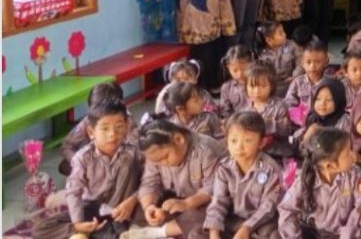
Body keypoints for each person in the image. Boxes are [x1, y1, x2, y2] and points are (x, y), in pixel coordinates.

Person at [33, 101, 140, 239]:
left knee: (150, 211)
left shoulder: (133, 153)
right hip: (92, 210)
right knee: (40, 229)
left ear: (126, 128)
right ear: (91, 132)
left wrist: (133, 199)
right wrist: (78, 223)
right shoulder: (82, 158)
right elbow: (74, 191)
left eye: (119, 127)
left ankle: (107, 233)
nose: (112, 134)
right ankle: (91, 231)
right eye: (105, 128)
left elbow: (149, 181)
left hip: (124, 211)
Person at [135, 120, 225, 239]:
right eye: (157, 161)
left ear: (178, 139)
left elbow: (214, 187)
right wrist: (149, 206)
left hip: (207, 200)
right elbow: (150, 182)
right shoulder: (155, 154)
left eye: (165, 157)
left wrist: (187, 203)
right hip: (178, 198)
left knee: (207, 215)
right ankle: (168, 227)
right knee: (138, 209)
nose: (163, 163)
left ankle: (159, 232)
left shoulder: (205, 151)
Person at [204, 112, 282, 239]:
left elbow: (268, 207)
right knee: (198, 232)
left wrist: (247, 227)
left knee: (274, 234)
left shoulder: (270, 169)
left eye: (248, 140)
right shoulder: (224, 168)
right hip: (234, 219)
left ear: (261, 143)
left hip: (260, 222)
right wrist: (214, 233)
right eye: (233, 140)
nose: (239, 147)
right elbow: (218, 201)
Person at [279, 128, 361, 239]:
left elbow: (360, 206)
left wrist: (347, 235)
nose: (354, 155)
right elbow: (286, 209)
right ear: (330, 166)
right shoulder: (305, 180)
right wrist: (294, 236)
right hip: (314, 233)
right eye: (348, 153)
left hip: (346, 234)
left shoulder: (355, 174)